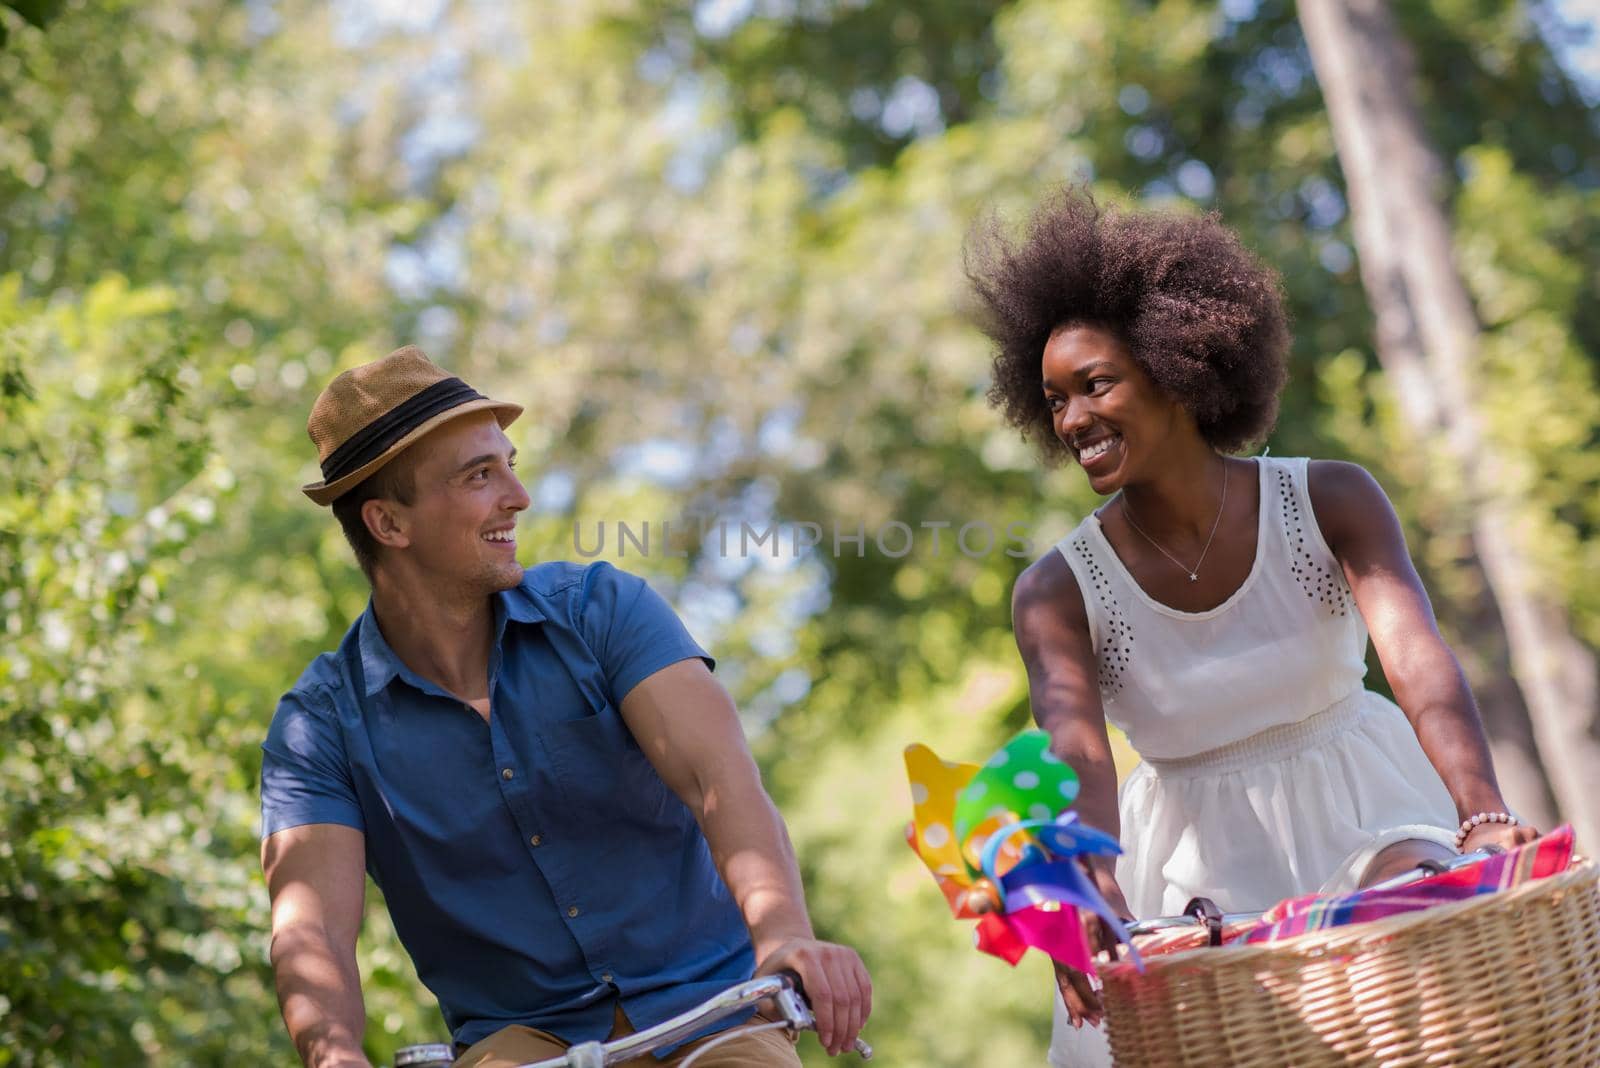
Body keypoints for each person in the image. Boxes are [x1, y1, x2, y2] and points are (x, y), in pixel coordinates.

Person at [965, 191, 1538, 1066]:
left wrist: (1482, 812)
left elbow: (1415, 657)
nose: (1073, 420)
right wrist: (1091, 887)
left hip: (1369, 809)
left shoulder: (1328, 498)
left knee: (1433, 976)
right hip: (1193, 869)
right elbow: (1076, 751)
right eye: (1054, 401)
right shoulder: (1055, 590)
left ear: (1176, 367)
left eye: (1096, 385)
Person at [259, 346, 871, 1068]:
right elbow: (313, 936)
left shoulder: (603, 611)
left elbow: (720, 782)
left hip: (710, 1008)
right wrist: (336, 1056)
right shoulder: (319, 727)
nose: (517, 496)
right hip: (521, 1041)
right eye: (480, 476)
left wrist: (784, 935)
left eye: (508, 464)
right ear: (390, 525)